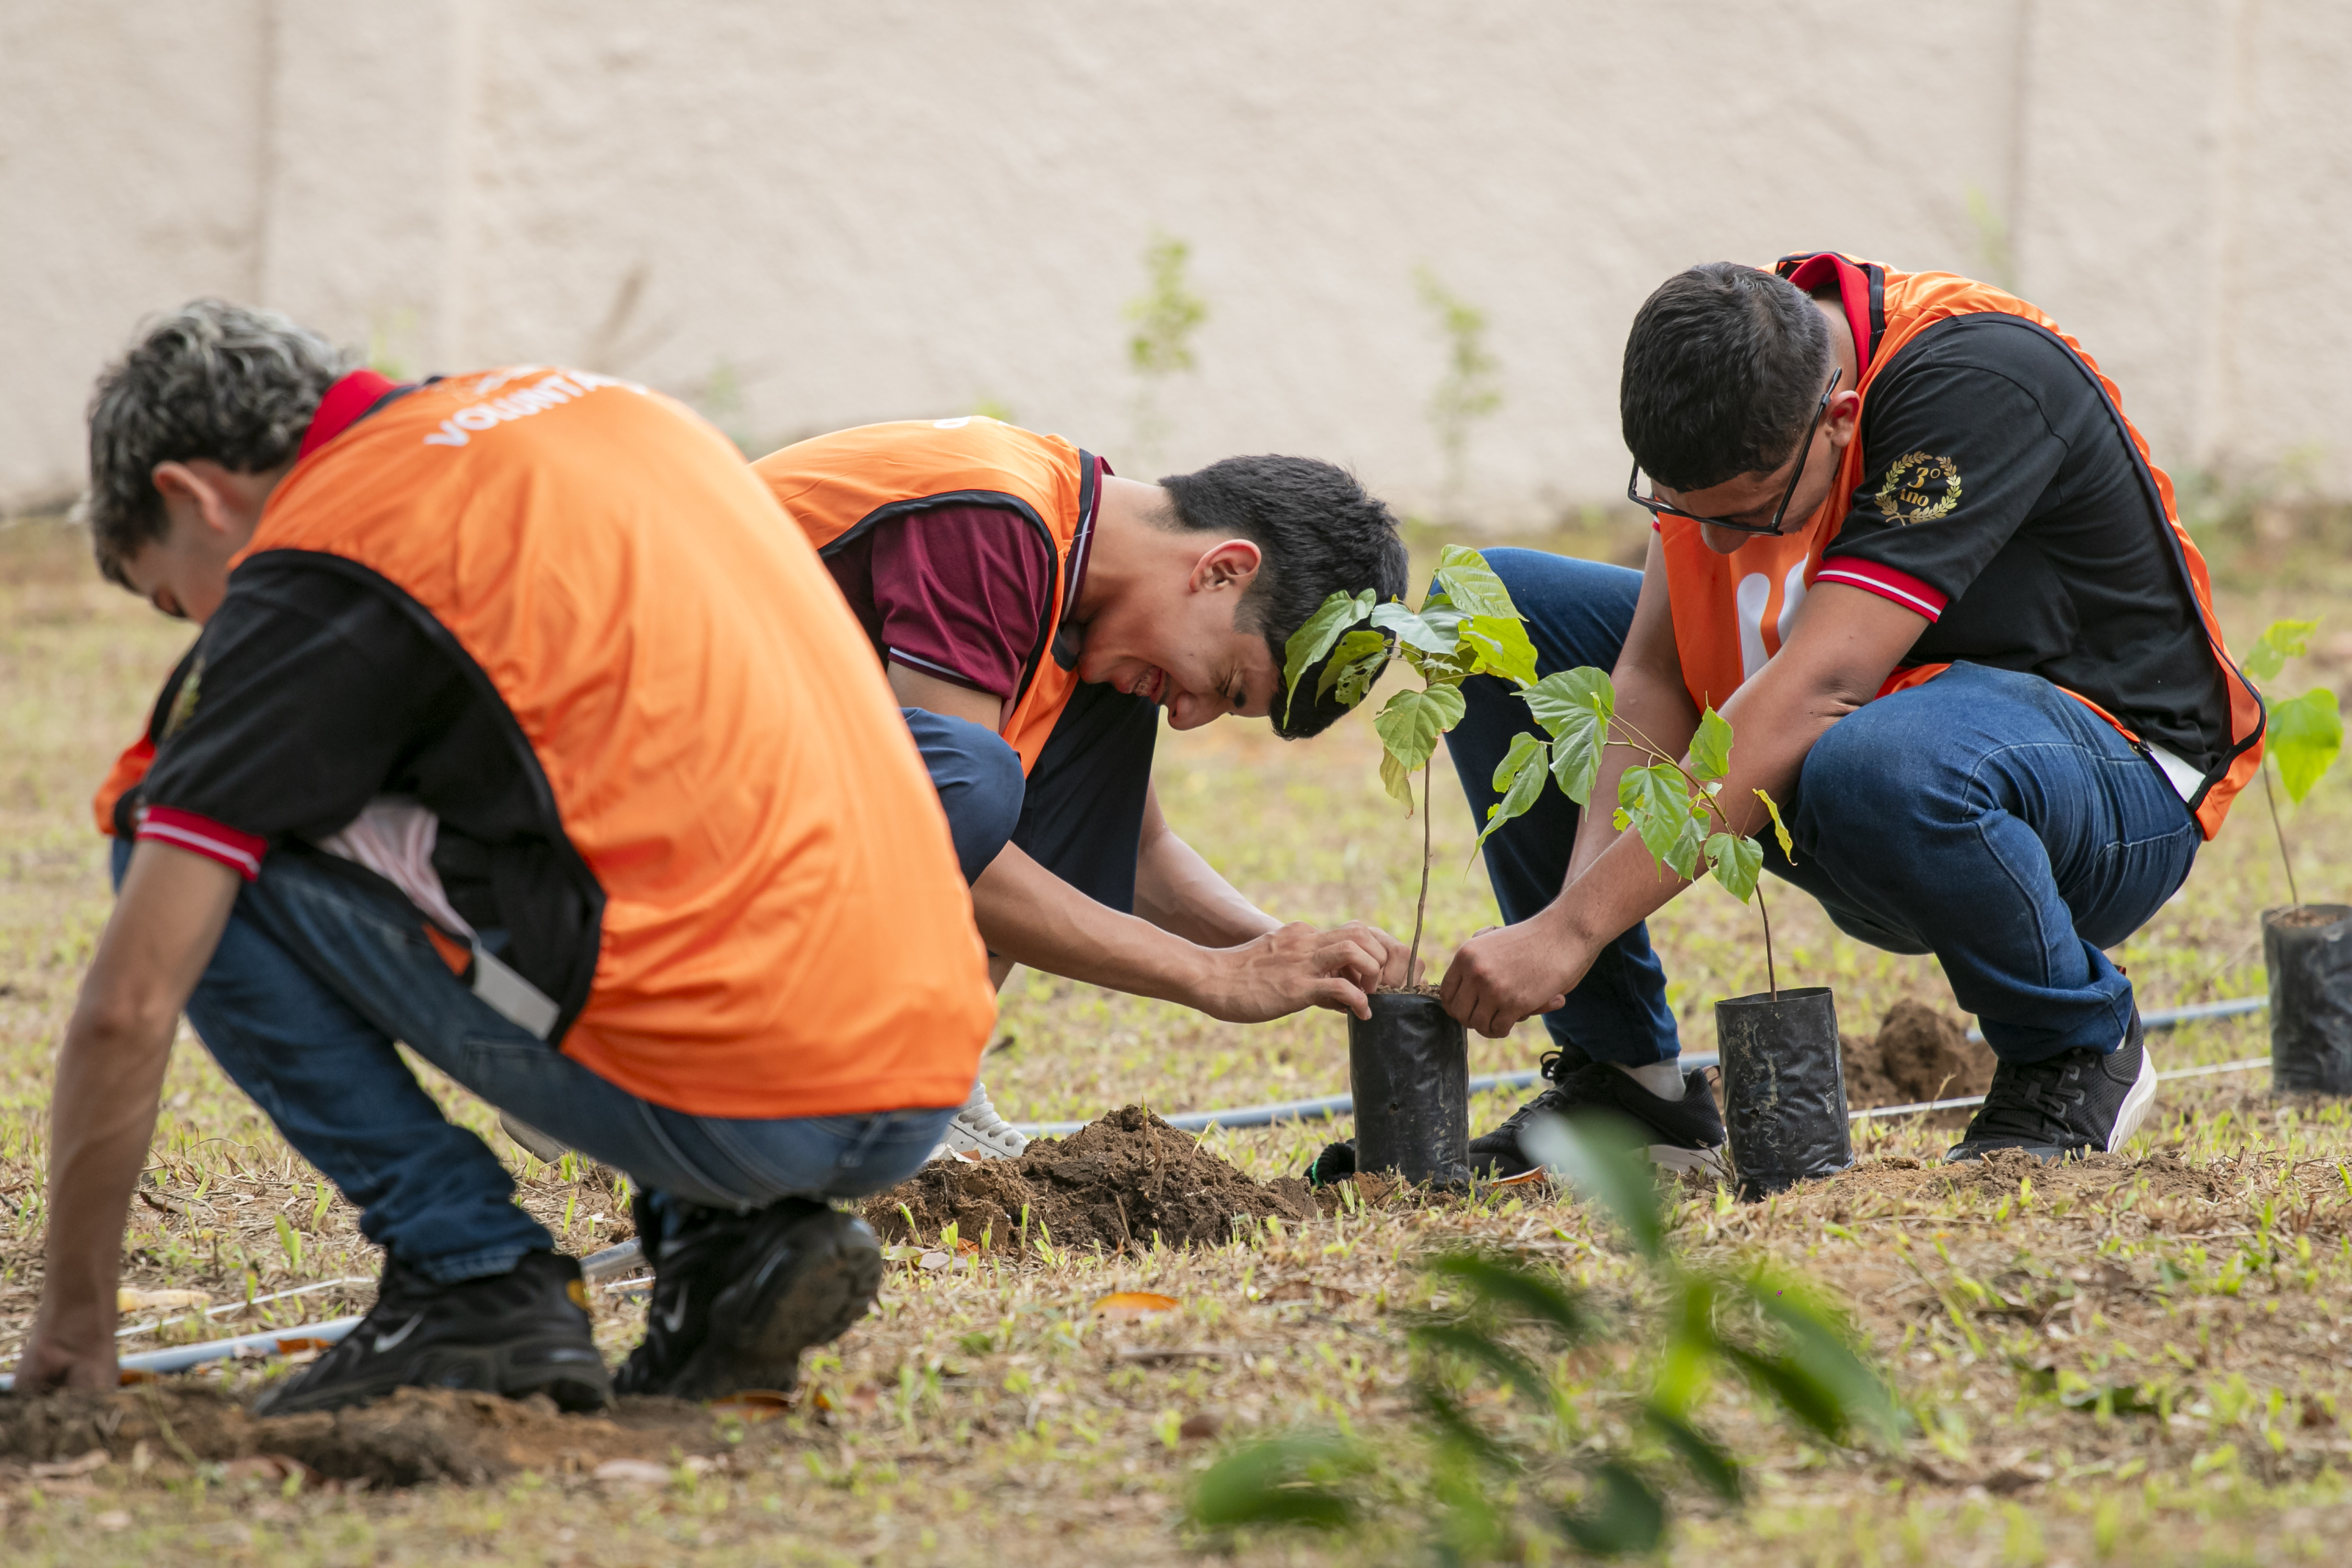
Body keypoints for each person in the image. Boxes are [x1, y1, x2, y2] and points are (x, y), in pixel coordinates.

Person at [14, 303, 997, 1413]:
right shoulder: (609, 415)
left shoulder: (331, 550)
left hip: (754, 1101)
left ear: (191, 496)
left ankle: (466, 1269)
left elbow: (128, 1004)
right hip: (921, 1083)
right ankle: (723, 1245)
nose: (200, 625)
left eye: (171, 595)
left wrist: (74, 1329)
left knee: (170, 828)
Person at [1437, 252, 2264, 1175]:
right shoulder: (1728, 377)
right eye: (1677, 508)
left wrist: (1570, 930)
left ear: (1839, 422)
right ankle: (1630, 1090)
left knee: (1874, 758)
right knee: (1487, 605)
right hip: (1876, 755)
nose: (1710, 544)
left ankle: (2073, 1049)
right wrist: (1574, 918)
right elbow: (1654, 676)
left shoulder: (1977, 380)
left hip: (2108, 788)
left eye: (1746, 516)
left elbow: (1822, 686)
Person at [751, 419, 1414, 1157]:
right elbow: (935, 839)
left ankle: (924, 1079)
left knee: (1096, 708)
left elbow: (1140, 854)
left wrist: (1292, 951)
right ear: (1223, 568)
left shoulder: (1087, 579)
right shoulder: (994, 520)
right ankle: (851, 1087)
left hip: (759, 792)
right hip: (638, 765)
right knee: (972, 779)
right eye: (1227, 684)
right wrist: (1213, 977)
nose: (1190, 719)